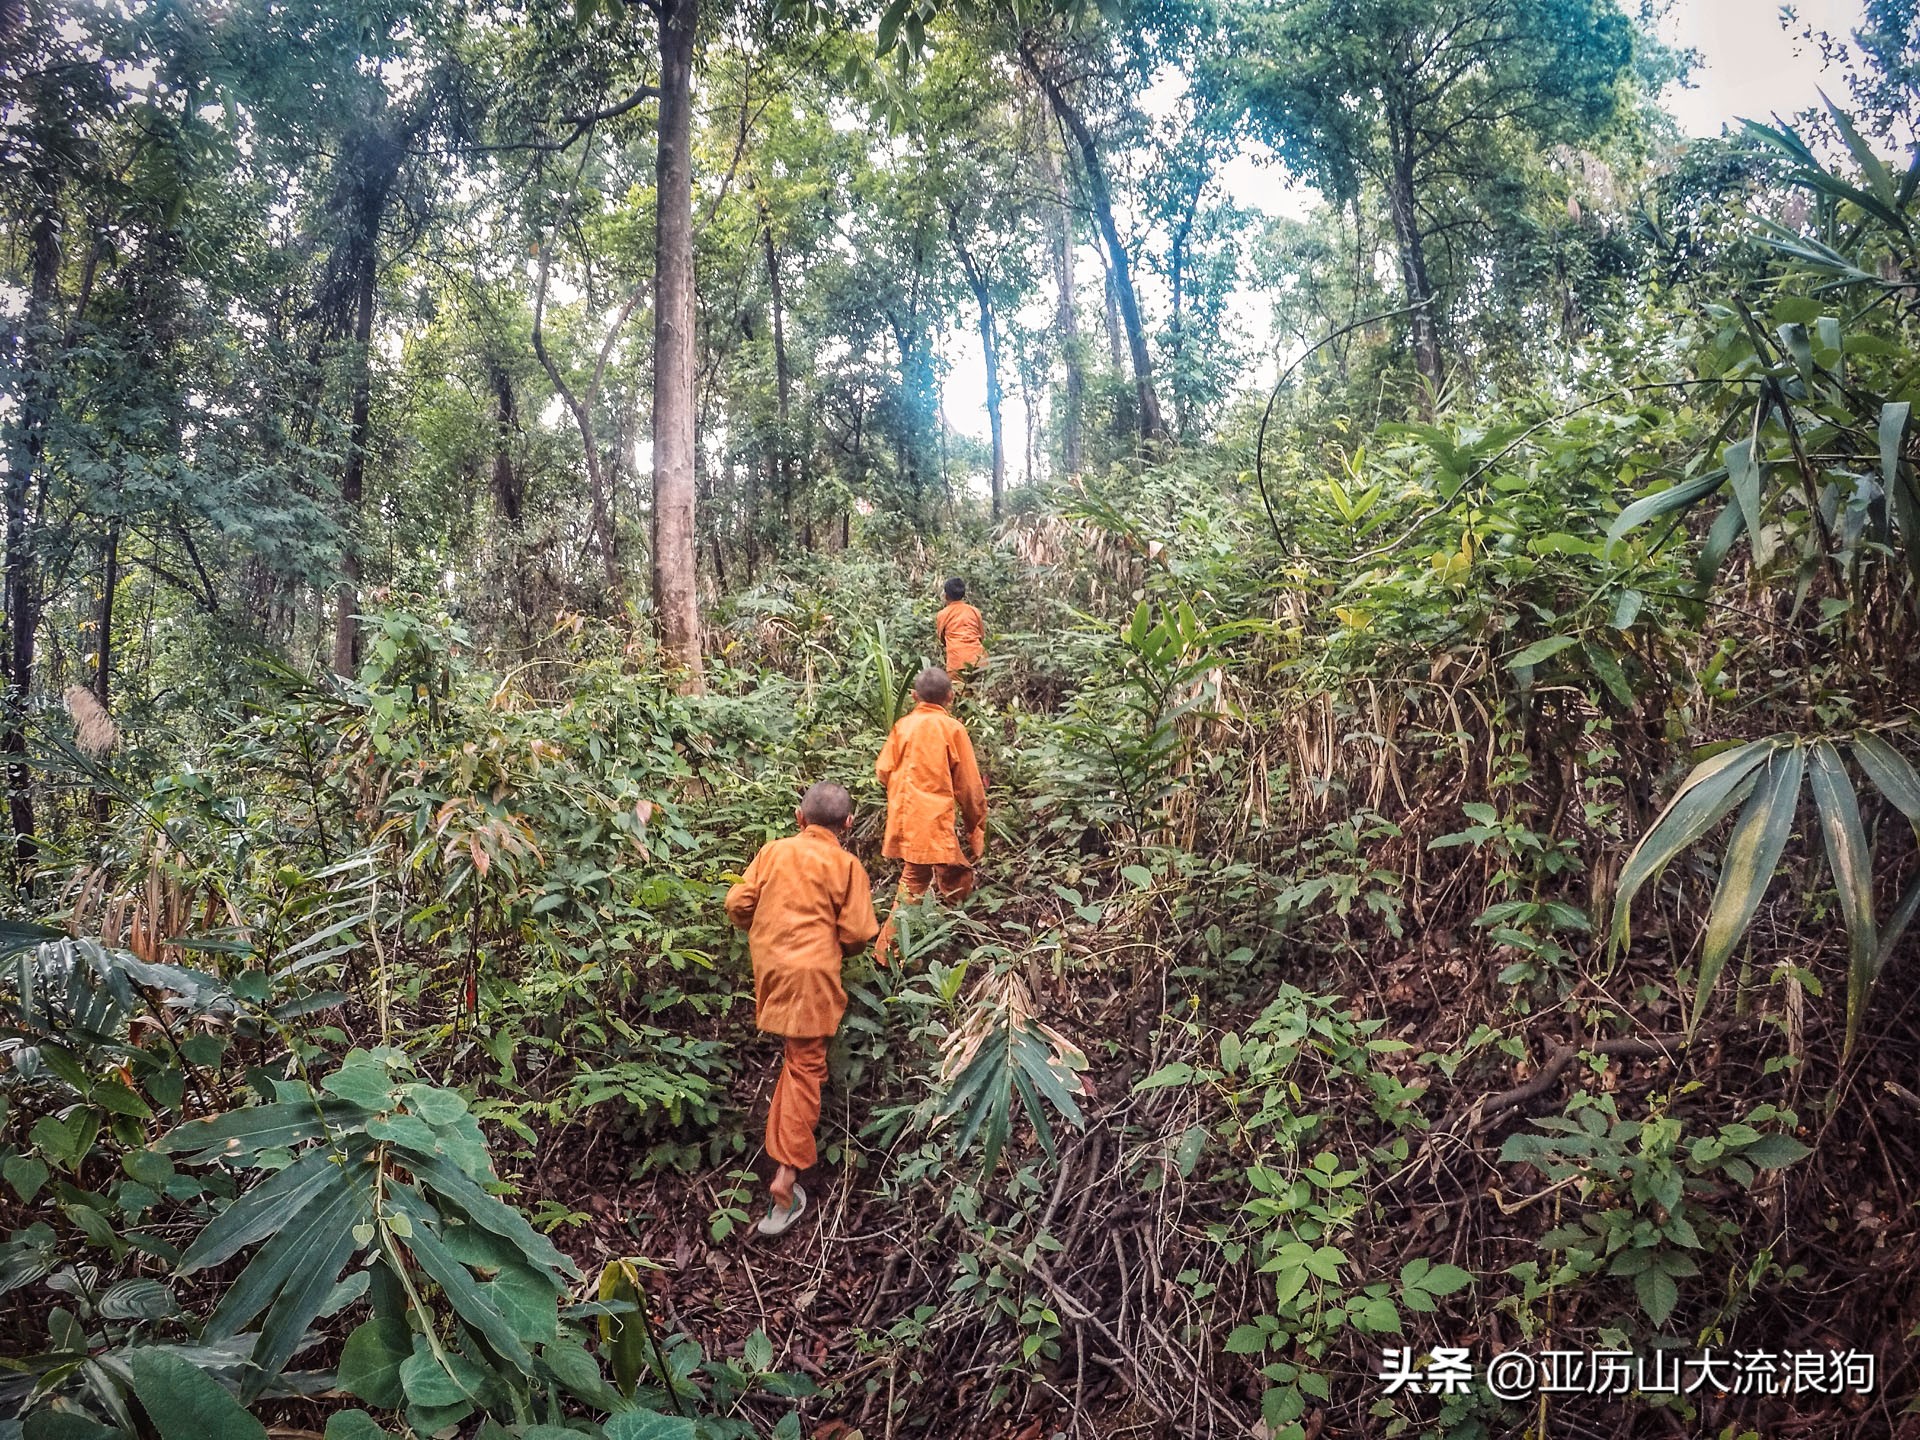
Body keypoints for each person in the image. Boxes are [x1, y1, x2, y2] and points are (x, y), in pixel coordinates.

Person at [724, 781, 879, 1237]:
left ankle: (779, 1169)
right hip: (812, 980)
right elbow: (856, 934)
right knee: (807, 1067)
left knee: (796, 1065)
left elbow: (737, 903)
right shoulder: (847, 866)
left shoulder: (773, 852)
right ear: (848, 824)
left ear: (799, 818)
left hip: (772, 975)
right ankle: (784, 1187)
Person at [874, 667, 986, 964]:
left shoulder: (902, 726)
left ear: (914, 696)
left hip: (905, 814)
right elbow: (970, 787)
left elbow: (883, 770)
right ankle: (887, 956)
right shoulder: (952, 730)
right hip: (930, 819)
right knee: (914, 881)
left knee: (951, 866)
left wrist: (905, 791)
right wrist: (976, 826)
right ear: (950, 697)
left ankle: (953, 922)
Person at [934, 577, 986, 675]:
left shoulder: (943, 614)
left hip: (956, 661)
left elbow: (942, 638)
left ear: (946, 595)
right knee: (975, 688)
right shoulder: (974, 611)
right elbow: (981, 636)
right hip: (978, 661)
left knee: (957, 689)